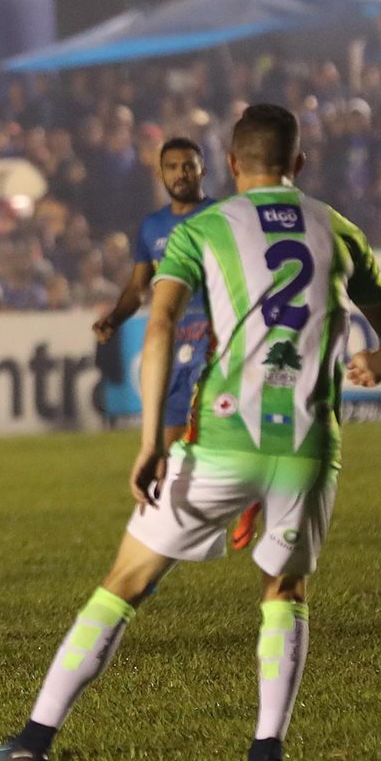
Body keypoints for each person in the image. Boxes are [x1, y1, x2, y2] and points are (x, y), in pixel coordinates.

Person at [0, 103, 381, 761]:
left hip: (222, 440)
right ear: (297, 164)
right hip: (307, 448)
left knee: (123, 584)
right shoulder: (340, 230)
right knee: (284, 590)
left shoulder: (203, 227)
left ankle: (33, 739)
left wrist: (149, 442)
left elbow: (161, 326)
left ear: (230, 165)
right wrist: (374, 365)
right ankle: (267, 756)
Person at [94, 137, 259, 548]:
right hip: (174, 344)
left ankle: (250, 497)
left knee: (217, 433)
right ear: (160, 173)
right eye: (172, 167)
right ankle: (190, 532)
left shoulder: (224, 215)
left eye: (189, 166)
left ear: (204, 169)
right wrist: (114, 317)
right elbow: (138, 286)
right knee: (171, 451)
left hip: (218, 338)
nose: (181, 174)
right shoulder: (151, 227)